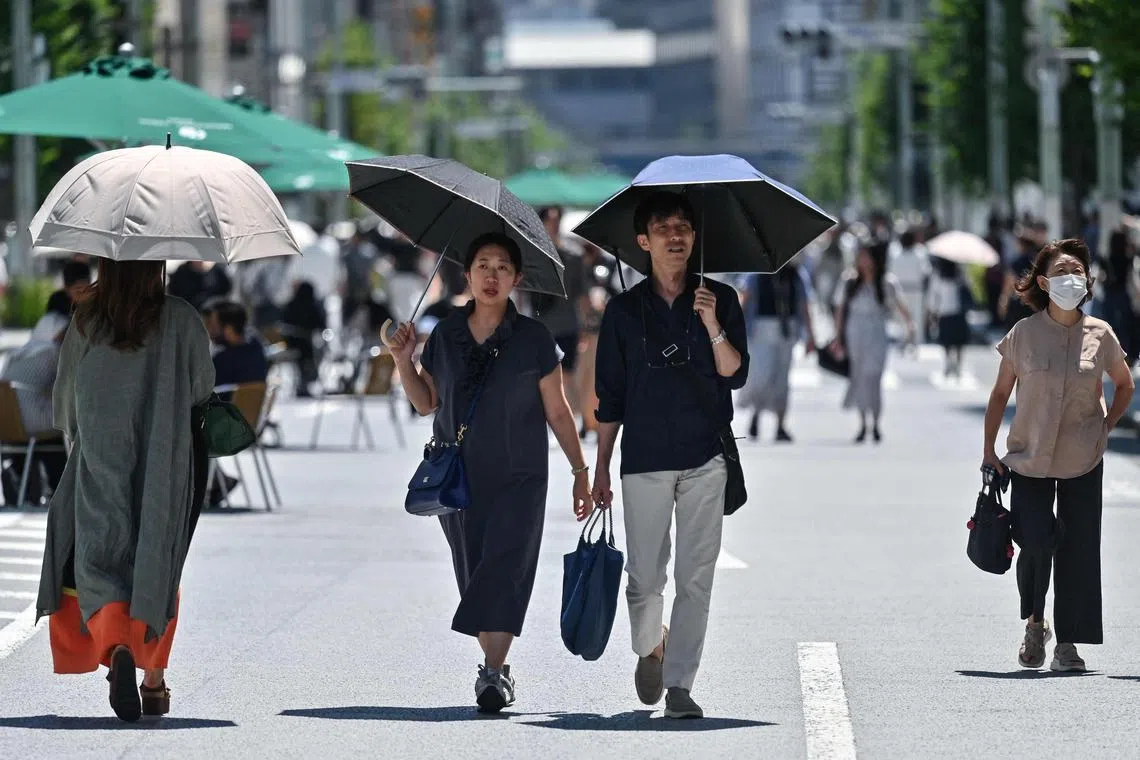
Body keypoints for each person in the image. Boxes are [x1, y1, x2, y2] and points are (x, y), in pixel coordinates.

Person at [387, 232, 591, 714]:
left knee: (505, 568)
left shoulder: (534, 338)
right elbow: (426, 403)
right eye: (483, 265)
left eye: (502, 267)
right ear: (468, 274)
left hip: (521, 477)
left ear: (517, 279)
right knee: (476, 573)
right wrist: (402, 359)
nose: (492, 275)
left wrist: (580, 471)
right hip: (460, 478)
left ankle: (493, 674)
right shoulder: (446, 334)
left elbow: (559, 412)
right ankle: (496, 667)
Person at [36, 258, 215, 722]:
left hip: (101, 454)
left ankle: (115, 645)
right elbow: (201, 387)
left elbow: (66, 398)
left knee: (100, 553)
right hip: (166, 455)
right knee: (159, 555)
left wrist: (80, 437)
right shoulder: (180, 317)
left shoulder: (88, 317)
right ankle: (152, 680)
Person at [592, 192, 748, 719]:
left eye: (683, 227)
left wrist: (712, 325)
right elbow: (609, 399)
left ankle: (680, 684)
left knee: (696, 576)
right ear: (643, 242)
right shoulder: (621, 311)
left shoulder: (718, 298)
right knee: (643, 579)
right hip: (643, 459)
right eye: (663, 228)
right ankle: (650, 645)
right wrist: (598, 470)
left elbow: (734, 372)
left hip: (706, 456)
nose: (675, 236)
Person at [982, 238, 1134, 672]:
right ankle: (1035, 621)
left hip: (1083, 457)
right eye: (1063, 272)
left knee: (1079, 549)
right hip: (1028, 456)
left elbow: (1124, 385)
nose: (1073, 278)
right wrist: (988, 451)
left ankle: (1067, 643)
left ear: (1088, 282)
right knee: (1035, 540)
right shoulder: (1024, 334)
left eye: (1079, 272)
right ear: (1045, 282)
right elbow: (998, 394)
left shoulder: (1101, 334)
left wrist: (1106, 427)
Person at [831, 244, 915, 443]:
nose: (863, 261)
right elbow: (841, 310)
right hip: (855, 332)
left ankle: (876, 422)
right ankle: (863, 424)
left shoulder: (887, 282)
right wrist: (838, 337)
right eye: (860, 257)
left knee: (874, 376)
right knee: (859, 376)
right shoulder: (850, 281)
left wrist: (910, 326)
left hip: (877, 333)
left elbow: (900, 306)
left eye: (866, 256)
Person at [740, 263, 816, 442]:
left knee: (782, 379)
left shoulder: (796, 275)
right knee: (761, 376)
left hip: (787, 329)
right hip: (761, 329)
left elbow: (804, 305)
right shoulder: (757, 274)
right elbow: (745, 299)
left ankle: (781, 425)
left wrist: (811, 336)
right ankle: (756, 415)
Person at [0, 315, 69, 506]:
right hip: (33, 421)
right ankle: (62, 490)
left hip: (9, 424)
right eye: (63, 335)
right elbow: (69, 384)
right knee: (70, 423)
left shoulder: (18, 353)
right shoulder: (53, 353)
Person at [531, 206, 586, 420]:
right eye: (550, 219)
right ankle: (548, 420)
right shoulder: (531, 256)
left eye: (557, 219)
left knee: (568, 375)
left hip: (567, 324)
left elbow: (581, 294)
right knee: (540, 377)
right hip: (539, 326)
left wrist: (586, 324)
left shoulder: (573, 257)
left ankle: (575, 420)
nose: (553, 224)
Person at [926, 257, 972, 378]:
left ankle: (947, 363)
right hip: (959, 311)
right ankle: (958, 365)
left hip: (944, 312)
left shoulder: (937, 275)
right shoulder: (960, 273)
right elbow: (969, 288)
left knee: (946, 341)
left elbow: (933, 296)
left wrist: (932, 313)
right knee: (959, 342)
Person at [210, 301, 269, 387]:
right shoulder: (256, 345)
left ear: (228, 330)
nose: (210, 331)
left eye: (214, 326)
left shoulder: (221, 360)